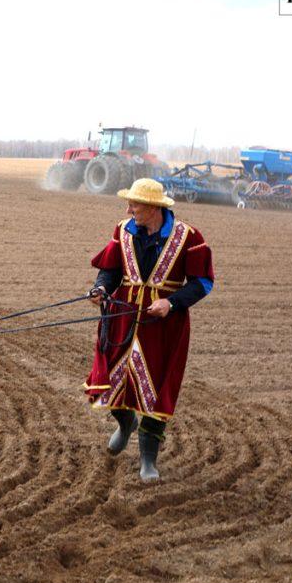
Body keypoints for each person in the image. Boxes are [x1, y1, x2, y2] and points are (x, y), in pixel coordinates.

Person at [83, 178, 214, 482]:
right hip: (123, 317)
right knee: (109, 379)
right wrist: (100, 288)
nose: (129, 209)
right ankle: (125, 423)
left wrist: (173, 302)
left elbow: (203, 282)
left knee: (157, 388)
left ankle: (148, 460)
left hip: (164, 324)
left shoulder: (189, 237)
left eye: (135, 204)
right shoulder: (123, 230)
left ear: (154, 207)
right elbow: (111, 269)